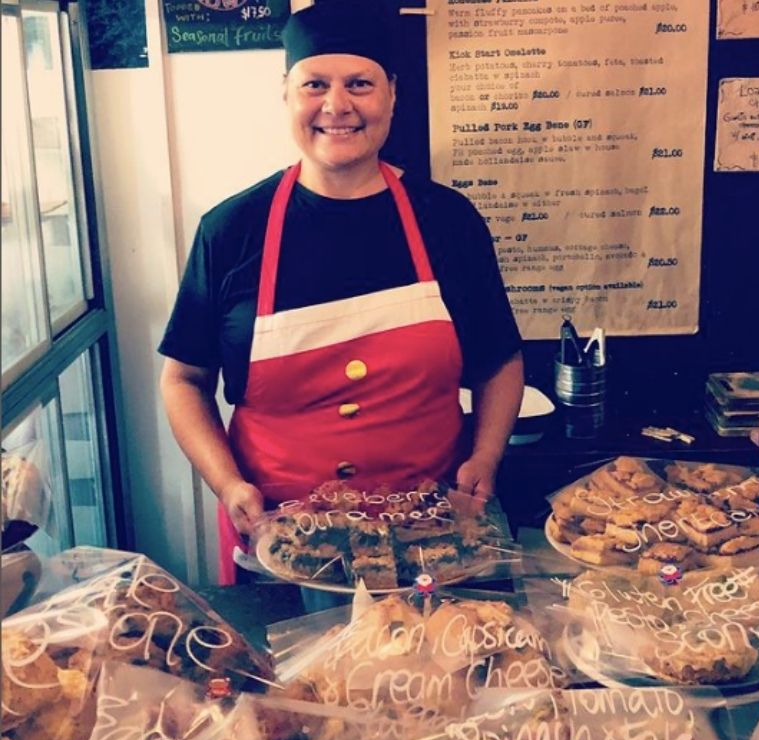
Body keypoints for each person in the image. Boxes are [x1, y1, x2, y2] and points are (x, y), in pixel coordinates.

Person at [159, 0, 524, 584]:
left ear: (392, 95)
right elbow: (183, 380)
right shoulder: (230, 230)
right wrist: (227, 483)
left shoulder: (448, 220)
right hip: (281, 539)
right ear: (286, 94)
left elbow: (500, 360)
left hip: (431, 533)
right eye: (315, 85)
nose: (337, 105)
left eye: (360, 84)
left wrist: (485, 456)